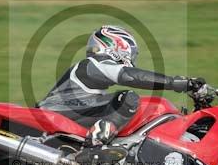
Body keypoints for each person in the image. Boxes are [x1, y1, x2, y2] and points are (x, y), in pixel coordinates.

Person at [37, 25, 205, 146]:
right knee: (127, 98)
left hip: (64, 113)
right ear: (118, 46)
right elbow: (128, 76)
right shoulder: (92, 64)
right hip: (55, 113)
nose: (131, 56)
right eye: (130, 50)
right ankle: (96, 144)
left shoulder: (91, 70)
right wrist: (177, 83)